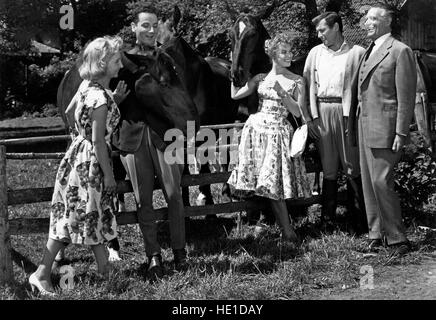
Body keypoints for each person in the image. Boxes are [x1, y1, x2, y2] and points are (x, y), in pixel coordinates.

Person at [29, 36, 126, 295]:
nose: (121, 65)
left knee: (82, 215)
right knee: (82, 216)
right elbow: (98, 142)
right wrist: (108, 176)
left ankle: (105, 272)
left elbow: (71, 112)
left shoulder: (88, 87)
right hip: (92, 163)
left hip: (76, 156)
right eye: (117, 60)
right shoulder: (101, 100)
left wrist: (81, 134)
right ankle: (41, 273)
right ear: (104, 65)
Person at [112, 8, 187, 277]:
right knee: (143, 200)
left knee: (174, 195)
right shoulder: (119, 60)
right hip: (133, 137)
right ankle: (153, 255)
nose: (151, 30)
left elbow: (179, 98)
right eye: (145, 25)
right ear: (133, 27)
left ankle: (180, 253)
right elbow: (107, 98)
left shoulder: (167, 58)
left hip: (166, 136)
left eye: (155, 25)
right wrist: (115, 102)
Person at [228, 32, 312, 244]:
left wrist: (283, 93)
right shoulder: (260, 78)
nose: (289, 55)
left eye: (290, 51)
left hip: (278, 134)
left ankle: (287, 231)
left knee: (273, 183)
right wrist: (233, 68)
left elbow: (298, 112)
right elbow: (235, 95)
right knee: (264, 183)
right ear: (273, 54)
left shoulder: (297, 81)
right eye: (284, 51)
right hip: (256, 132)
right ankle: (275, 226)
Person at [348, 3, 417, 256]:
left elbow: (406, 96)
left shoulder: (401, 51)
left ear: (387, 21)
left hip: (386, 128)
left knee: (381, 181)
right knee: (368, 183)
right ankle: (376, 234)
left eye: (373, 18)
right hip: (364, 125)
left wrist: (401, 132)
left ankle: (398, 238)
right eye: (366, 19)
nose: (366, 23)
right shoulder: (369, 50)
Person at [302, 11, 368, 234]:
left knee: (352, 164)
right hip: (322, 111)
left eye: (323, 30)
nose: (319, 35)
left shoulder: (357, 52)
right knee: (328, 167)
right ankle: (327, 222)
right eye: (318, 31)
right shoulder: (315, 53)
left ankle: (359, 221)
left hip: (347, 112)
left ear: (337, 27)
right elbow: (307, 86)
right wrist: (310, 118)